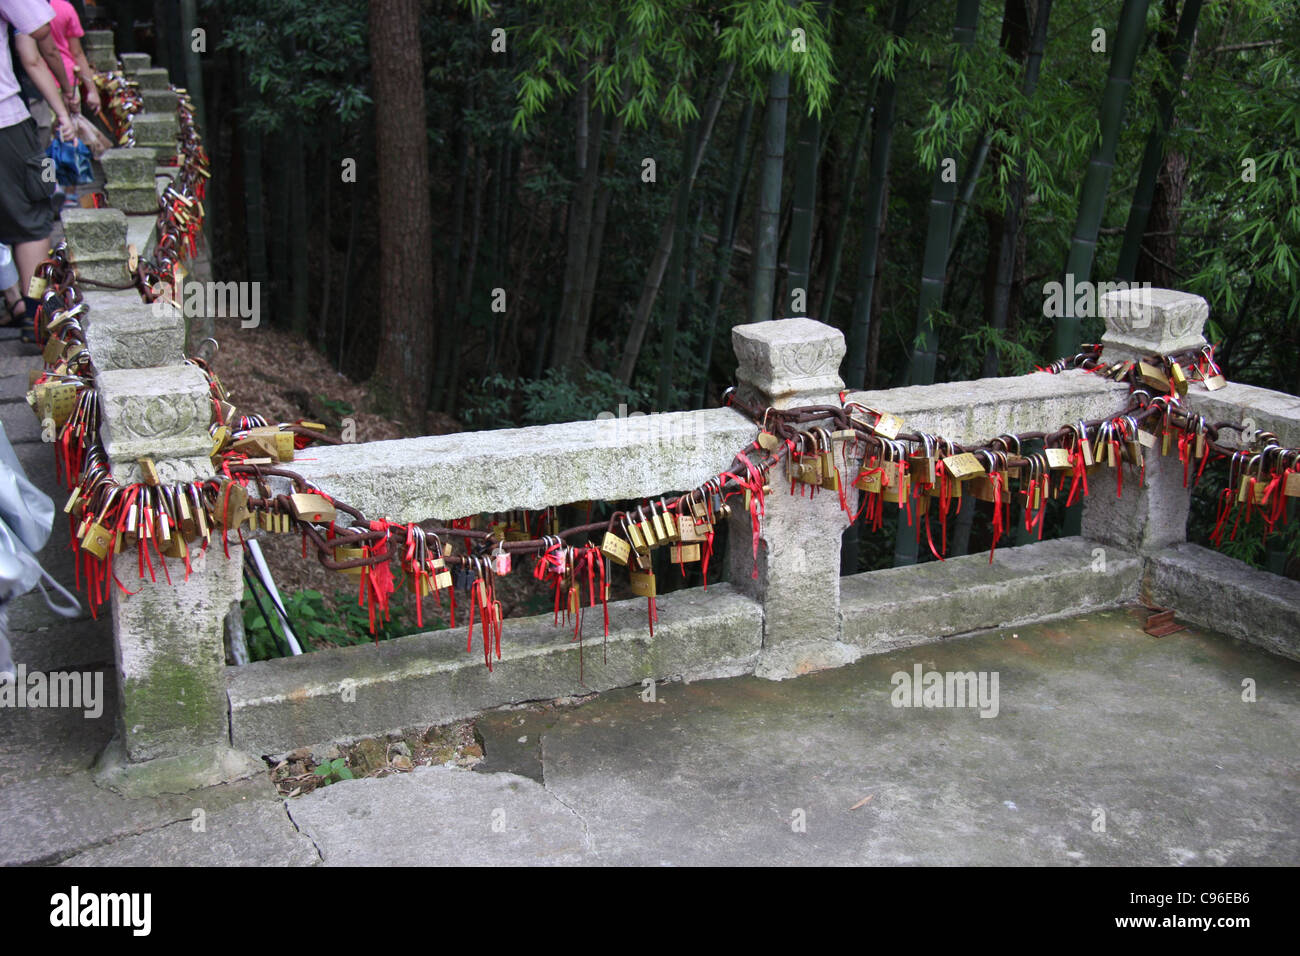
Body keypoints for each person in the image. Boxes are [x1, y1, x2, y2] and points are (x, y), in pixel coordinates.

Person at [0, 0, 76, 338]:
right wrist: (65, 100)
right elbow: (39, 38)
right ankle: (37, 317)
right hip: (8, 121)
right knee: (35, 210)